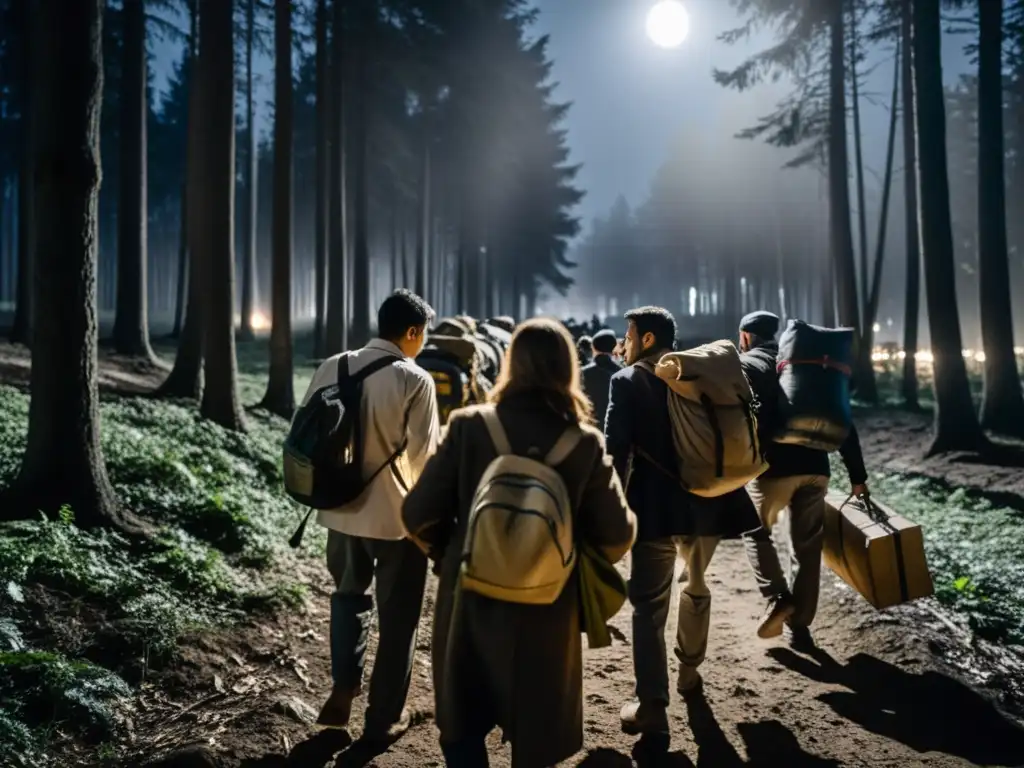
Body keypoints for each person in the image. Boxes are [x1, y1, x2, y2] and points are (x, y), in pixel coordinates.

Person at [402, 318, 637, 768]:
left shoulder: (469, 426)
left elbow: (417, 514)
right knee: (538, 731)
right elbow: (619, 533)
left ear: (510, 363)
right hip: (548, 610)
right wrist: (565, 561)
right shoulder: (584, 443)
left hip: (469, 597)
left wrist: (450, 555)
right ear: (568, 369)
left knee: (464, 725)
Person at [604, 306, 761, 736]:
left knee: (649, 607)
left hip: (655, 508)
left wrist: (610, 511)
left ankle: (652, 701)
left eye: (630, 334)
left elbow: (616, 451)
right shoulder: (697, 374)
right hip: (710, 502)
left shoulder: (627, 381)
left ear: (648, 339)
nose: (626, 342)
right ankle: (689, 672)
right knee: (695, 585)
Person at [304, 289, 441, 740]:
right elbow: (425, 459)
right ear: (412, 332)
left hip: (339, 513)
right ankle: (382, 718)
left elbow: (309, 434)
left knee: (347, 599)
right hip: (396, 522)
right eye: (423, 335)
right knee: (399, 620)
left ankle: (344, 687)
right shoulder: (414, 379)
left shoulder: (333, 365)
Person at [737, 310, 869, 651]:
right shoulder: (801, 366)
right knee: (807, 550)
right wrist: (858, 476)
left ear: (746, 336)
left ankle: (778, 597)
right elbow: (843, 419)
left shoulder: (749, 365)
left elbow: (751, 417)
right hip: (816, 468)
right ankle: (800, 628)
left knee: (754, 530)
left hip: (772, 470)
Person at [581, 328, 621, 426]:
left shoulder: (582, 373)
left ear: (593, 347)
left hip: (589, 428)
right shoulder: (623, 373)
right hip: (615, 429)